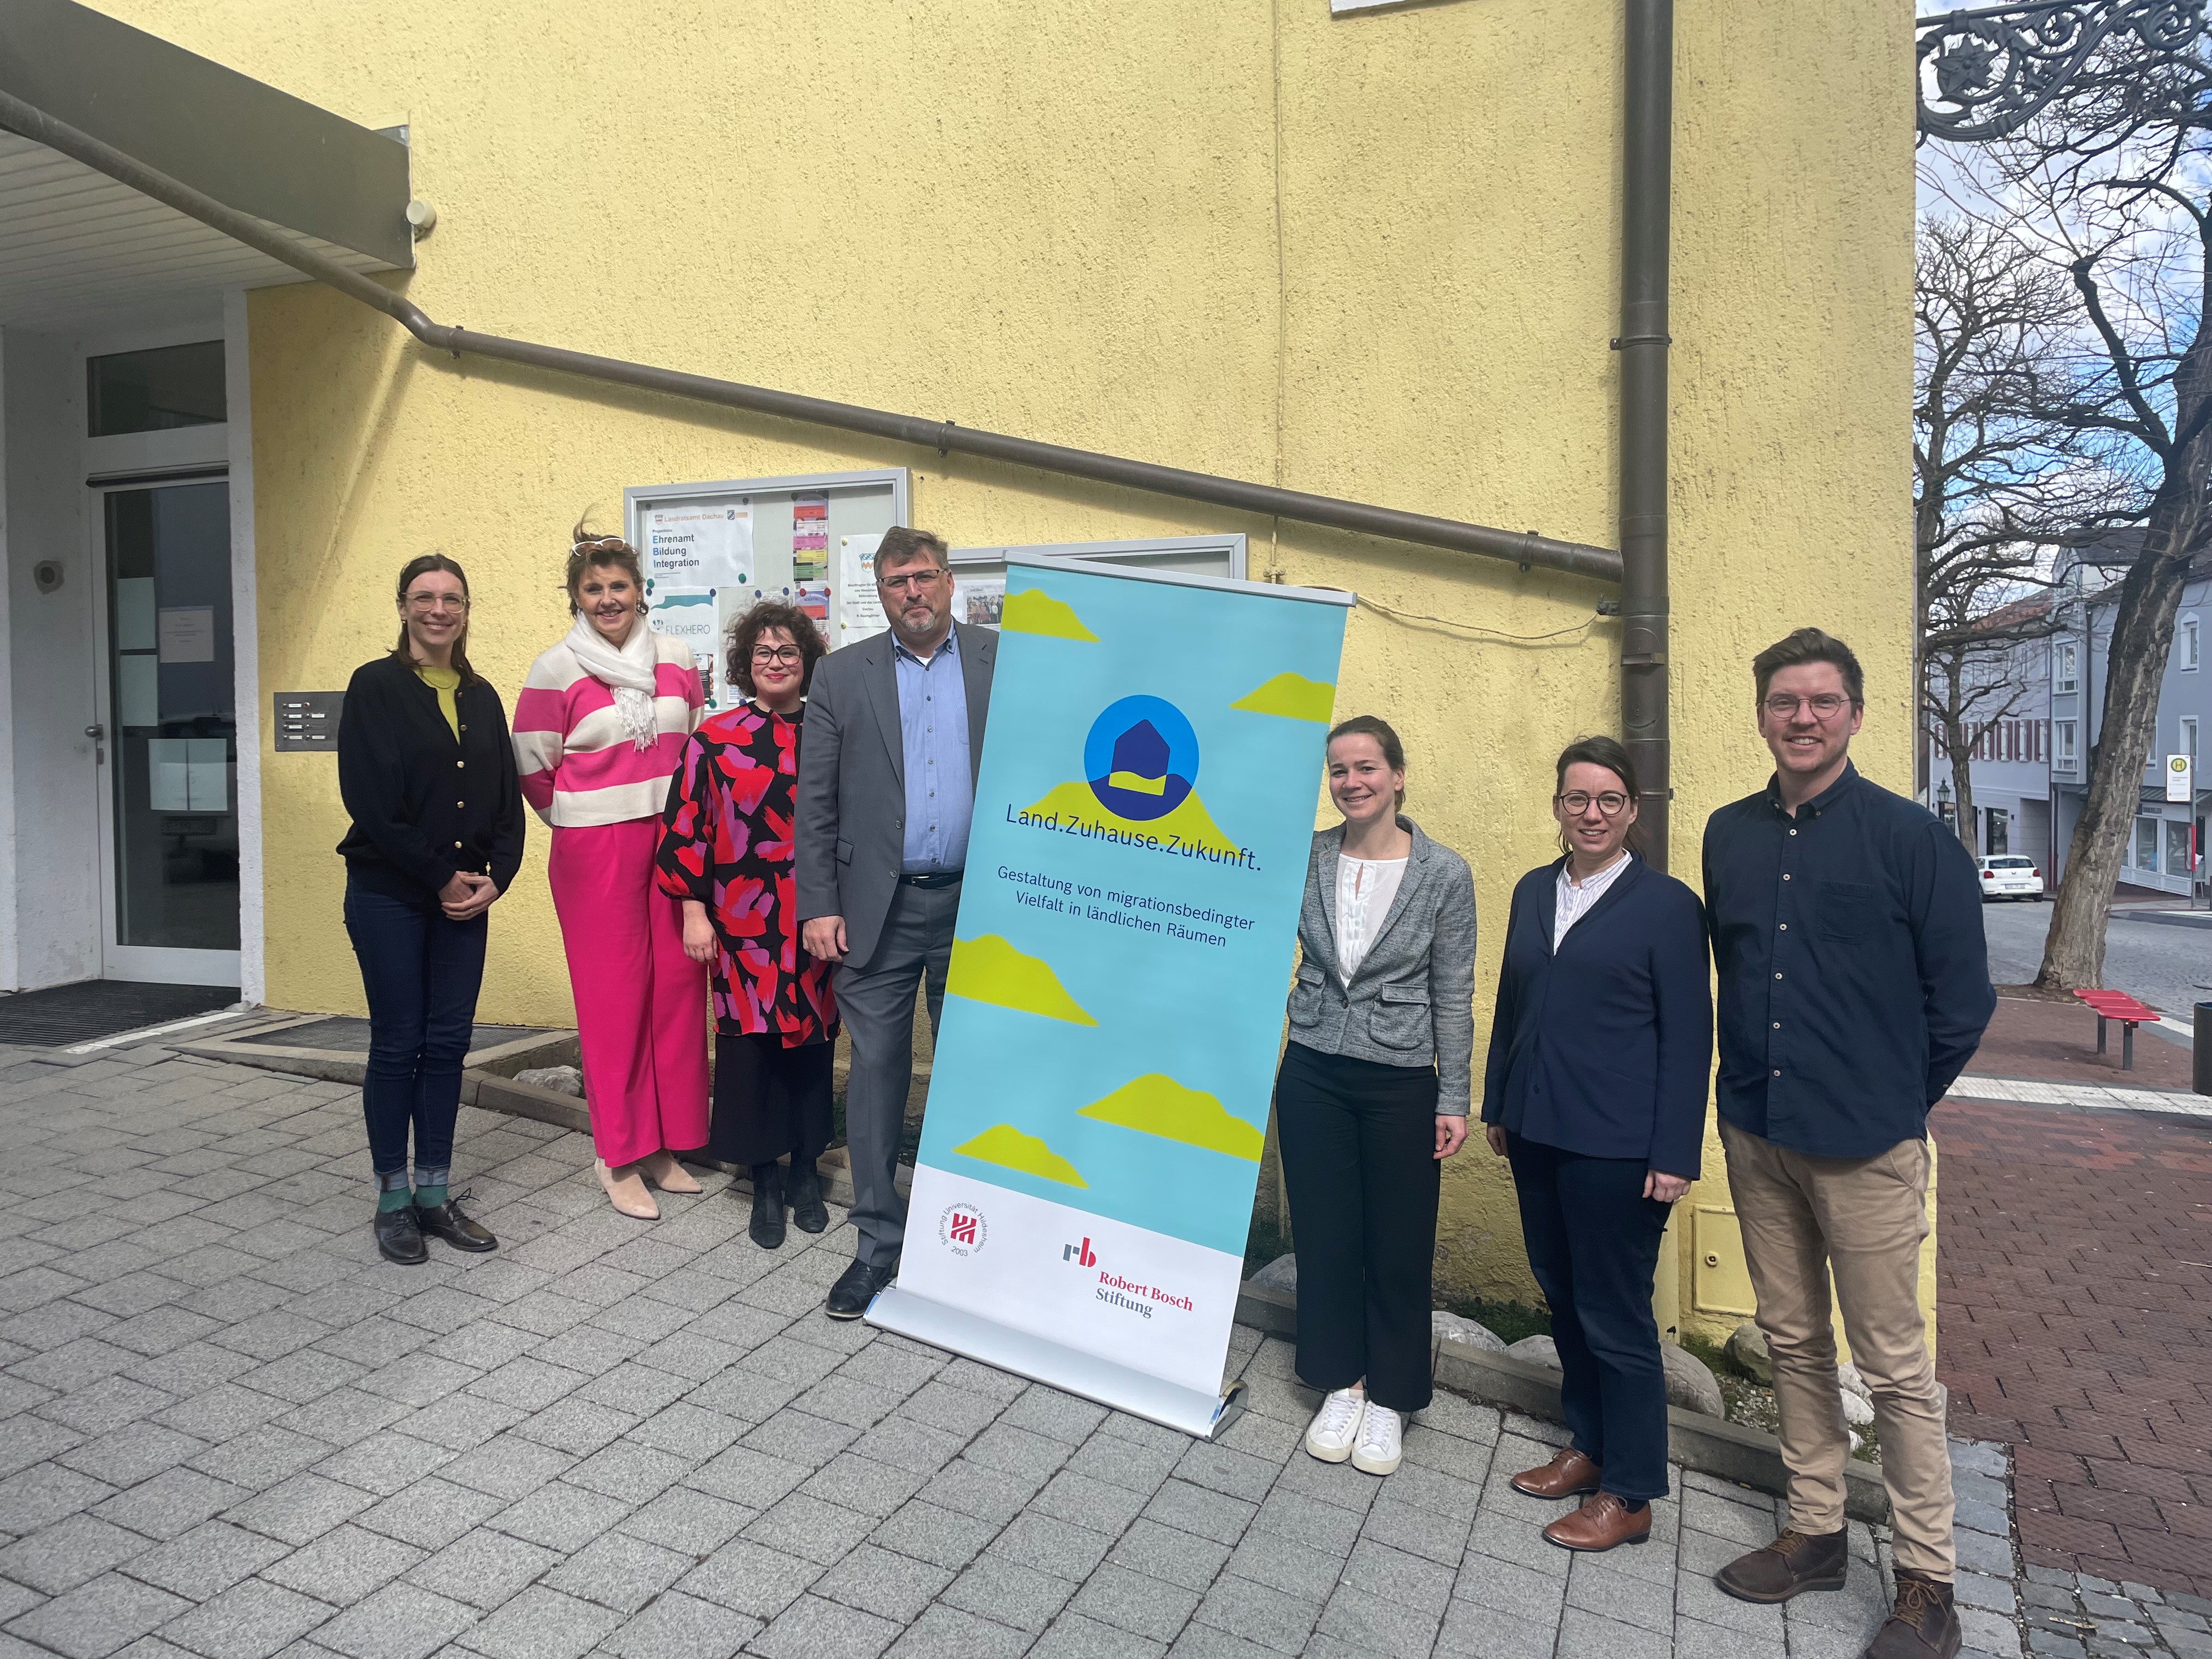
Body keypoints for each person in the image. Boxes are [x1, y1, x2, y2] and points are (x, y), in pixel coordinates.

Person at [1705, 628, 1994, 1659]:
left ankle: (1927, 1580)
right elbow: (1734, 978)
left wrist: (1889, 1100)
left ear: (1857, 714)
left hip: (1866, 1146)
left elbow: (1962, 1004)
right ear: (1761, 715)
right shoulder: (1726, 833)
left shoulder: (1911, 841)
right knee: (1791, 1341)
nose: (1802, 717)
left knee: (1895, 1369)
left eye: (1822, 701)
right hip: (1758, 1132)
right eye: (1783, 700)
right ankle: (1816, 1530)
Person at [1480, 735, 1711, 1551]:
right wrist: (1497, 1102)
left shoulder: (1669, 907)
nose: (1592, 814)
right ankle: (1590, 1445)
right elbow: (1513, 1003)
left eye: (1609, 800)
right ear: (1557, 808)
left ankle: (1633, 1491)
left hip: (1618, 1149)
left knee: (1615, 1317)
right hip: (1537, 1133)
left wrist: (1676, 1152)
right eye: (1577, 799)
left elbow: (1689, 1038)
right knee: (1565, 1297)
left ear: (1633, 811)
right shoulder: (1533, 891)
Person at [794, 526, 996, 1318]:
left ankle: (972, 1250)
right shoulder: (843, 676)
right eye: (895, 583)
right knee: (876, 1083)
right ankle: (876, 1246)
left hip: (976, 908)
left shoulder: (998, 661)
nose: (912, 592)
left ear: (950, 582)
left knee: (974, 1080)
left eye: (924, 577)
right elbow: (815, 805)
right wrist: (818, 904)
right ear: (878, 595)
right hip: (875, 909)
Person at [1276, 716, 1476, 1477]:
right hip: (1314, 1065)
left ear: (1397, 775)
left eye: (1366, 768)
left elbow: (1453, 994)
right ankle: (1344, 1382)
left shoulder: (1444, 873)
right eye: (1339, 770)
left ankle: (1391, 1396)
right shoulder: (1309, 857)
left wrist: (1453, 1095)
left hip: (1399, 1078)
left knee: (1397, 1241)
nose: (1352, 782)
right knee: (1326, 1236)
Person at [515, 525, 709, 1220]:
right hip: (595, 852)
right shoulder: (555, 669)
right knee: (614, 1000)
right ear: (576, 597)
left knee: (679, 991)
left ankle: (666, 1143)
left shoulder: (679, 659)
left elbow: (692, 748)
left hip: (670, 843)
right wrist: (582, 816)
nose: (607, 599)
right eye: (592, 589)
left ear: (639, 592)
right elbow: (534, 766)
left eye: (617, 586)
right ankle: (618, 1154)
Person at [336, 554, 524, 1265]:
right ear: (403, 606)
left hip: (464, 903)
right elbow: (372, 803)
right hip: (390, 893)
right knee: (398, 1043)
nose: (438, 609)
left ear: (467, 610)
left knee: (448, 1045)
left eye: (452, 598)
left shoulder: (481, 695)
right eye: (424, 597)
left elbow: (506, 805)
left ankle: (435, 1193)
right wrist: (442, 875)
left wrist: (495, 878)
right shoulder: (375, 686)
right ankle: (392, 1198)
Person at [656, 600, 838, 1250]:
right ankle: (763, 1177)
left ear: (807, 661)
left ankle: (807, 1173)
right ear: (744, 664)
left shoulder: (831, 730)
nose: (776, 662)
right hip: (741, 922)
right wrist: (694, 911)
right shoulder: (715, 738)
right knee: (752, 1048)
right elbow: (688, 827)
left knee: (812, 1046)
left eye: (788, 651)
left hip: (814, 920)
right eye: (764, 652)